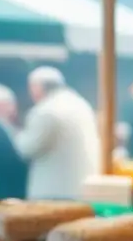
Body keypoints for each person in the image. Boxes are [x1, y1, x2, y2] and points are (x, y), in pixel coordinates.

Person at [15, 66, 100, 199]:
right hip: (82, 189)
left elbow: (27, 148)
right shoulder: (80, 104)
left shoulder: (45, 110)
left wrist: (17, 133)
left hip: (52, 191)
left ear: (37, 88)